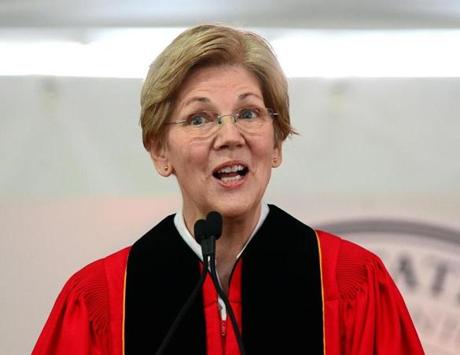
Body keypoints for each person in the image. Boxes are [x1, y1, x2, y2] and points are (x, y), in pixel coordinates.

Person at [33, 24, 424, 355]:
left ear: (277, 143)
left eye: (249, 113)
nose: (229, 136)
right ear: (159, 152)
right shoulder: (101, 299)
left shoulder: (349, 283)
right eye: (199, 118)